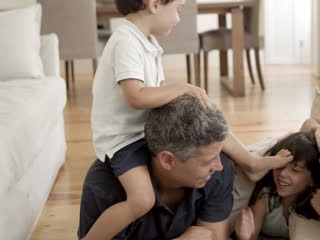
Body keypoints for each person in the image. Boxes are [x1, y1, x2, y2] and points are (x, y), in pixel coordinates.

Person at [86, 0, 291, 239]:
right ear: (155, 3)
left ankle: (250, 161)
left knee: (206, 122)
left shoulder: (147, 42)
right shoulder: (125, 41)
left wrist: (190, 102)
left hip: (140, 129)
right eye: (179, 9)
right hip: (123, 141)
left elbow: (157, 92)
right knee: (142, 200)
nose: (179, 18)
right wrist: (183, 87)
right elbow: (136, 96)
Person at [79, 95, 234, 239]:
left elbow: (214, 236)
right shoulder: (104, 187)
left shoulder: (217, 172)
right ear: (167, 160)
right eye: (207, 161)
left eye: (218, 155)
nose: (219, 166)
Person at [234, 132, 320, 240]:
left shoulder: (319, 203)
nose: (282, 174)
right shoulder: (266, 197)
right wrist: (243, 236)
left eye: (295, 169)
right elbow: (251, 236)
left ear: (313, 180)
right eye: (280, 165)